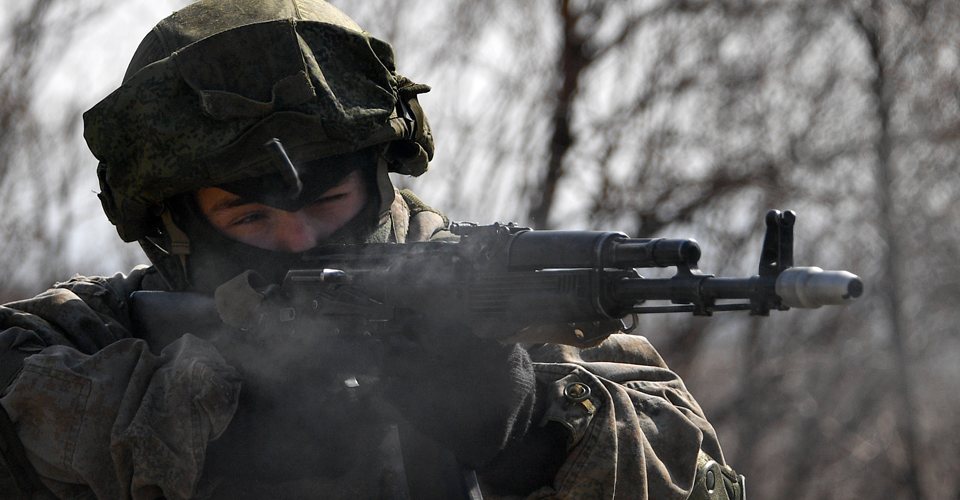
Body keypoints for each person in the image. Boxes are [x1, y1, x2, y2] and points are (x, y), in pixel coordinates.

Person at [0, 0, 745, 499]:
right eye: (251, 218)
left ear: (380, 179)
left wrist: (529, 429)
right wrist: (211, 411)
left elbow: (693, 477)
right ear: (172, 223)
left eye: (329, 201)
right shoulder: (86, 339)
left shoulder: (502, 314)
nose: (298, 238)